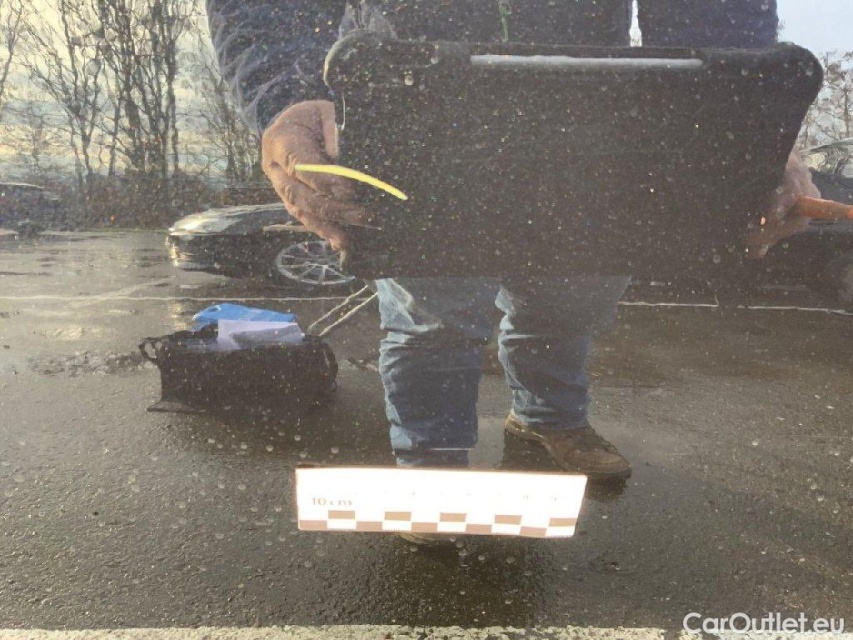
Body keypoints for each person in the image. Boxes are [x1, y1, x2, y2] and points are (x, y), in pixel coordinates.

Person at [206, 0, 819, 480]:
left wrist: (749, 122)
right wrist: (289, 93)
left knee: (574, 294)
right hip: (414, 111)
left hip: (589, 115)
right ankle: (432, 461)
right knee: (433, 316)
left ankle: (547, 418)